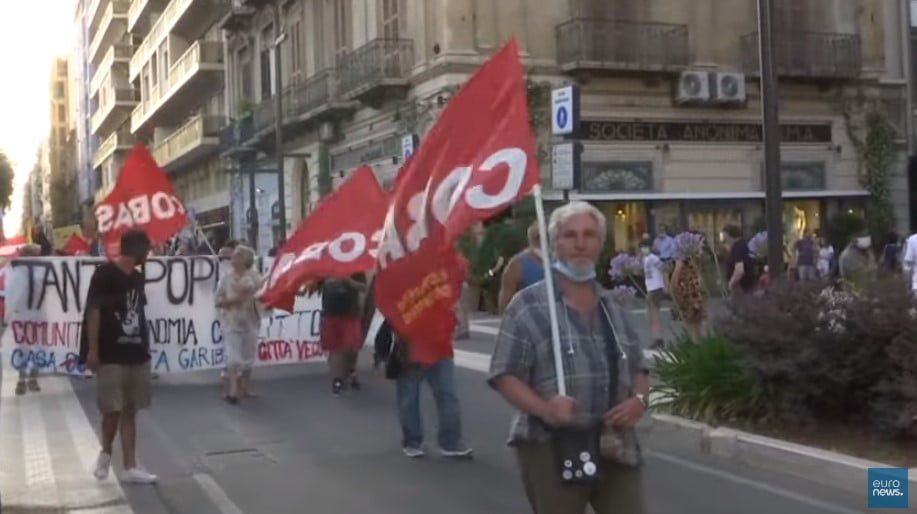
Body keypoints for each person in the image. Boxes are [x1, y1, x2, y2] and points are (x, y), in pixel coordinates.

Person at [490, 201, 649, 514]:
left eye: (589, 235)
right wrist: (545, 409)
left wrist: (639, 401)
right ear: (555, 245)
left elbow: (639, 367)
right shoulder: (529, 305)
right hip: (550, 445)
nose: (579, 244)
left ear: (600, 244)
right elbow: (504, 373)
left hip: (614, 443)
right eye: (569, 235)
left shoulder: (613, 305)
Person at [82, 229, 157, 484]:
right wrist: (93, 350)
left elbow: (140, 312)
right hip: (110, 353)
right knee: (111, 410)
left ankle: (129, 466)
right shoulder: (104, 274)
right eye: (146, 248)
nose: (149, 253)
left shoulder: (138, 277)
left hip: (137, 353)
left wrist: (147, 345)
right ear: (135, 249)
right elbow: (93, 311)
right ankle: (105, 453)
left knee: (130, 409)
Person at [215, 245, 263, 404]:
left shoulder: (255, 277)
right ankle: (233, 391)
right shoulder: (226, 278)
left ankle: (246, 387)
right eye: (233, 255)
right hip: (231, 322)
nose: (232, 258)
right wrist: (232, 300)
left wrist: (251, 295)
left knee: (248, 357)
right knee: (233, 357)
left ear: (245, 260)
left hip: (250, 321)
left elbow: (264, 296)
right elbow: (218, 300)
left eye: (237, 255)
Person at [320, 274, 366, 396]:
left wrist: (349, 281)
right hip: (330, 314)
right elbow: (311, 286)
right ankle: (337, 379)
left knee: (350, 347)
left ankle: (350, 371)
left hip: (350, 314)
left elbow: (364, 287)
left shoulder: (356, 266)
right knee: (335, 348)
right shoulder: (325, 267)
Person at [8, 244, 43, 395]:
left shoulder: (41, 271)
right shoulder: (18, 272)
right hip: (24, 315)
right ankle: (23, 381)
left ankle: (31, 379)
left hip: (37, 315)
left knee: (37, 348)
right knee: (24, 348)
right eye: (36, 255)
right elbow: (14, 294)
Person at [498, 223, 545, 313]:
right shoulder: (517, 264)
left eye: (546, 236)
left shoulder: (560, 260)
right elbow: (505, 299)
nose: (542, 241)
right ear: (530, 240)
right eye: (537, 237)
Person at [639, 237, 666, 349]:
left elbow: (663, 269)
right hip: (650, 288)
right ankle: (657, 338)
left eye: (645, 247)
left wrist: (665, 284)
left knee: (653, 315)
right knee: (650, 315)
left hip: (656, 288)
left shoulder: (653, 258)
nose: (643, 249)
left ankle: (658, 339)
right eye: (642, 247)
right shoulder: (645, 260)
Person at [721, 225, 756, 294]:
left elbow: (739, 270)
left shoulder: (738, 247)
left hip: (742, 288)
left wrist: (731, 284)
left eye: (724, 235)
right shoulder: (739, 246)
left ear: (728, 235)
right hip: (744, 287)